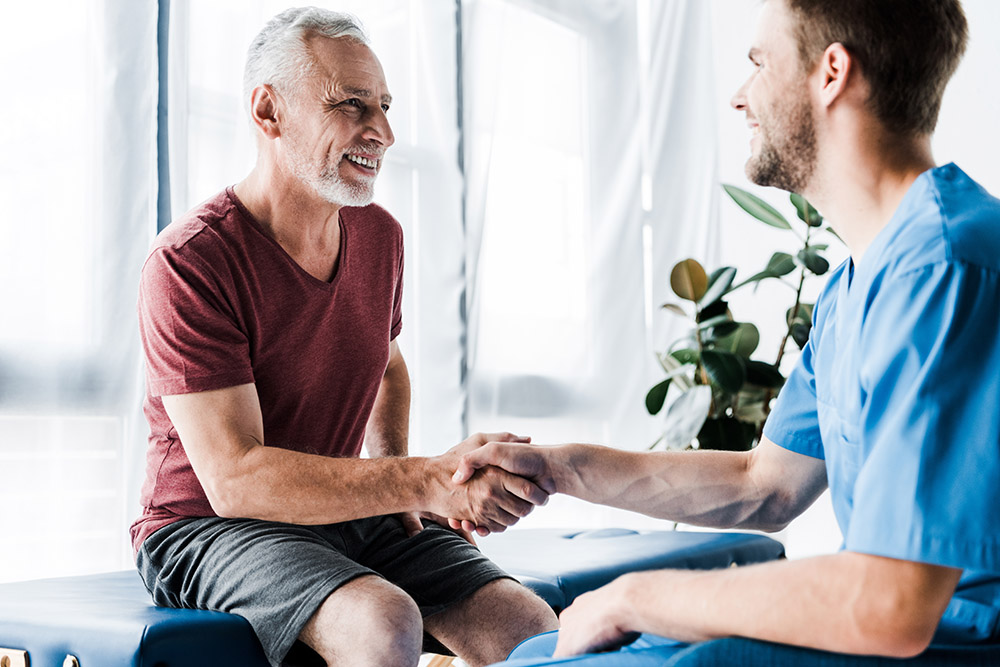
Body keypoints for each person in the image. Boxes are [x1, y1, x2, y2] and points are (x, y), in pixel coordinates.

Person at [453, 0, 1000, 665]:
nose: (741, 98)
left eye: (759, 64)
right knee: (539, 650)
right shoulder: (864, 277)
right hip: (898, 631)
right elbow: (763, 483)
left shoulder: (943, 265)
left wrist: (633, 595)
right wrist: (554, 468)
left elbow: (893, 601)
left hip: (953, 643)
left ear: (832, 73)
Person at [131, 8, 557, 667]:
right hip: (204, 527)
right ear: (269, 112)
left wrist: (402, 489)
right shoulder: (190, 261)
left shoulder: (380, 235)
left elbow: (387, 366)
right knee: (383, 621)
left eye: (384, 106)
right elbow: (235, 479)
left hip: (330, 515)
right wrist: (417, 479)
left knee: (529, 626)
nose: (382, 132)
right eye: (351, 105)